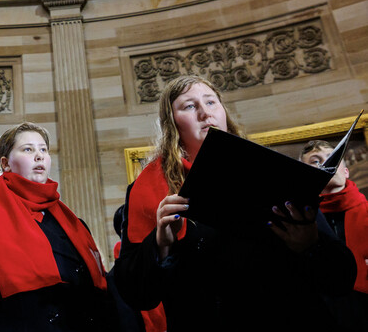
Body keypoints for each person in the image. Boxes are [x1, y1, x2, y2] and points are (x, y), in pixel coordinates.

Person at [115, 74, 357, 331]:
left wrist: (311, 246)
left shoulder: (272, 172)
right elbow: (136, 294)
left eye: (211, 102)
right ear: (172, 123)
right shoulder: (149, 189)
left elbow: (341, 278)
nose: (204, 113)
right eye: (189, 106)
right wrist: (160, 245)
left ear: (223, 112)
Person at [0, 122, 115, 331]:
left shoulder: (75, 226)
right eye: (28, 149)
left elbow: (98, 298)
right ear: (6, 163)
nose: (39, 156)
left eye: (43, 149)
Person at [301, 139, 368, 323]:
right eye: (315, 161)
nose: (326, 164)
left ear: (346, 171)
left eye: (333, 159)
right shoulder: (299, 220)